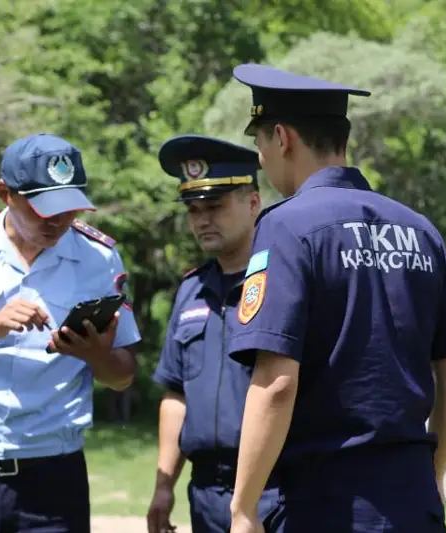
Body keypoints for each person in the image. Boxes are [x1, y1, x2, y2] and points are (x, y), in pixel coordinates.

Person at [223, 64, 446, 533]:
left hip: (323, 503)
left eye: (259, 142)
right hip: (413, 501)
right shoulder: (421, 230)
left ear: (282, 137)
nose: (260, 158)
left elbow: (277, 383)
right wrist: (434, 472)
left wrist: (243, 507)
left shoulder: (285, 227)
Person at [0, 132, 142, 533]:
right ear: (5, 194)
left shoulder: (98, 258)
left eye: (67, 209)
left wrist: (96, 355)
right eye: (42, 209)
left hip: (55, 476)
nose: (57, 222)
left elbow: (123, 377)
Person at [145, 134, 280, 533]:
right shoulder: (191, 290)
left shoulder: (282, 283)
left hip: (274, 489)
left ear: (253, 203)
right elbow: (176, 394)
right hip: (205, 492)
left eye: (215, 206)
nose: (202, 219)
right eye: (193, 209)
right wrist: (163, 485)